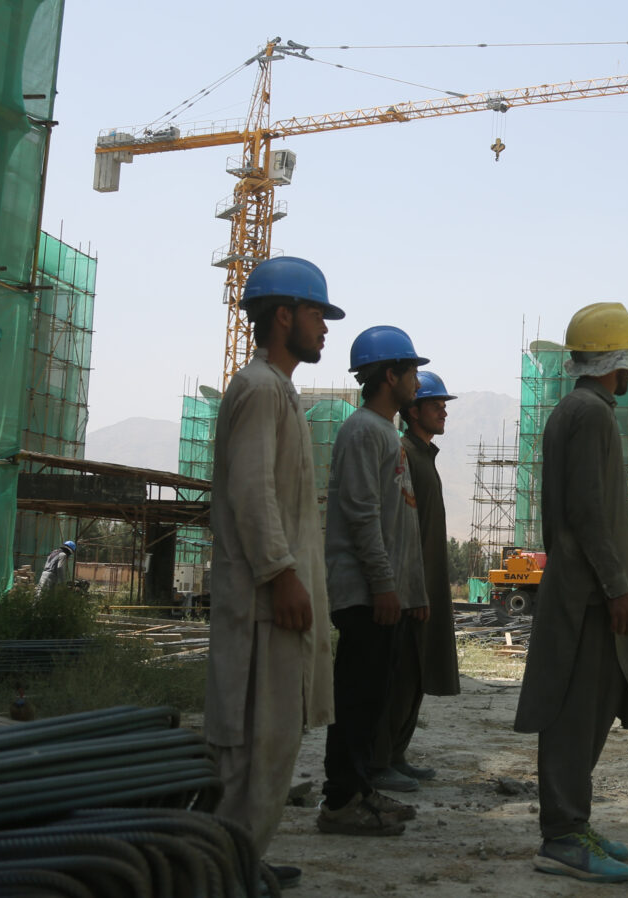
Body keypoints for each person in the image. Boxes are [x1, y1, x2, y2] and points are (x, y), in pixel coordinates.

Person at [205, 256, 343, 890]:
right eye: (317, 314)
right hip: (262, 606)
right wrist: (282, 573)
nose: (324, 328)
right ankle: (226, 873)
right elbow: (252, 491)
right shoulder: (260, 388)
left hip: (275, 601)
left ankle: (242, 862)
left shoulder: (277, 389)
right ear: (283, 315)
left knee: (275, 741)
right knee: (256, 745)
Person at [513, 302, 628, 884]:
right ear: (616, 359)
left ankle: (573, 822)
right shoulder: (590, 415)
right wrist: (618, 588)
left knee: (589, 710)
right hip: (590, 595)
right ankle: (564, 835)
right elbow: (589, 516)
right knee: (575, 715)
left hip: (586, 590)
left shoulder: (579, 409)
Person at [317, 325, 430, 836]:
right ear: (391, 375)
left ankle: (360, 790)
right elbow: (362, 516)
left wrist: (409, 590)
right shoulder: (364, 431)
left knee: (371, 699)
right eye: (411, 371)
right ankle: (341, 800)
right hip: (365, 593)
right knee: (357, 699)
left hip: (381, 592)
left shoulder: (384, 432)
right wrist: (384, 586)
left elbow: (397, 522)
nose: (417, 380)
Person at [369, 371, 462, 793]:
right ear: (413, 411)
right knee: (399, 674)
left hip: (427, 584)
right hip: (412, 588)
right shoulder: (403, 453)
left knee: (417, 672)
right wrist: (409, 588)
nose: (443, 411)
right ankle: (378, 758)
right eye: (436, 404)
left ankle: (396, 753)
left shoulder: (425, 456)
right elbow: (397, 529)